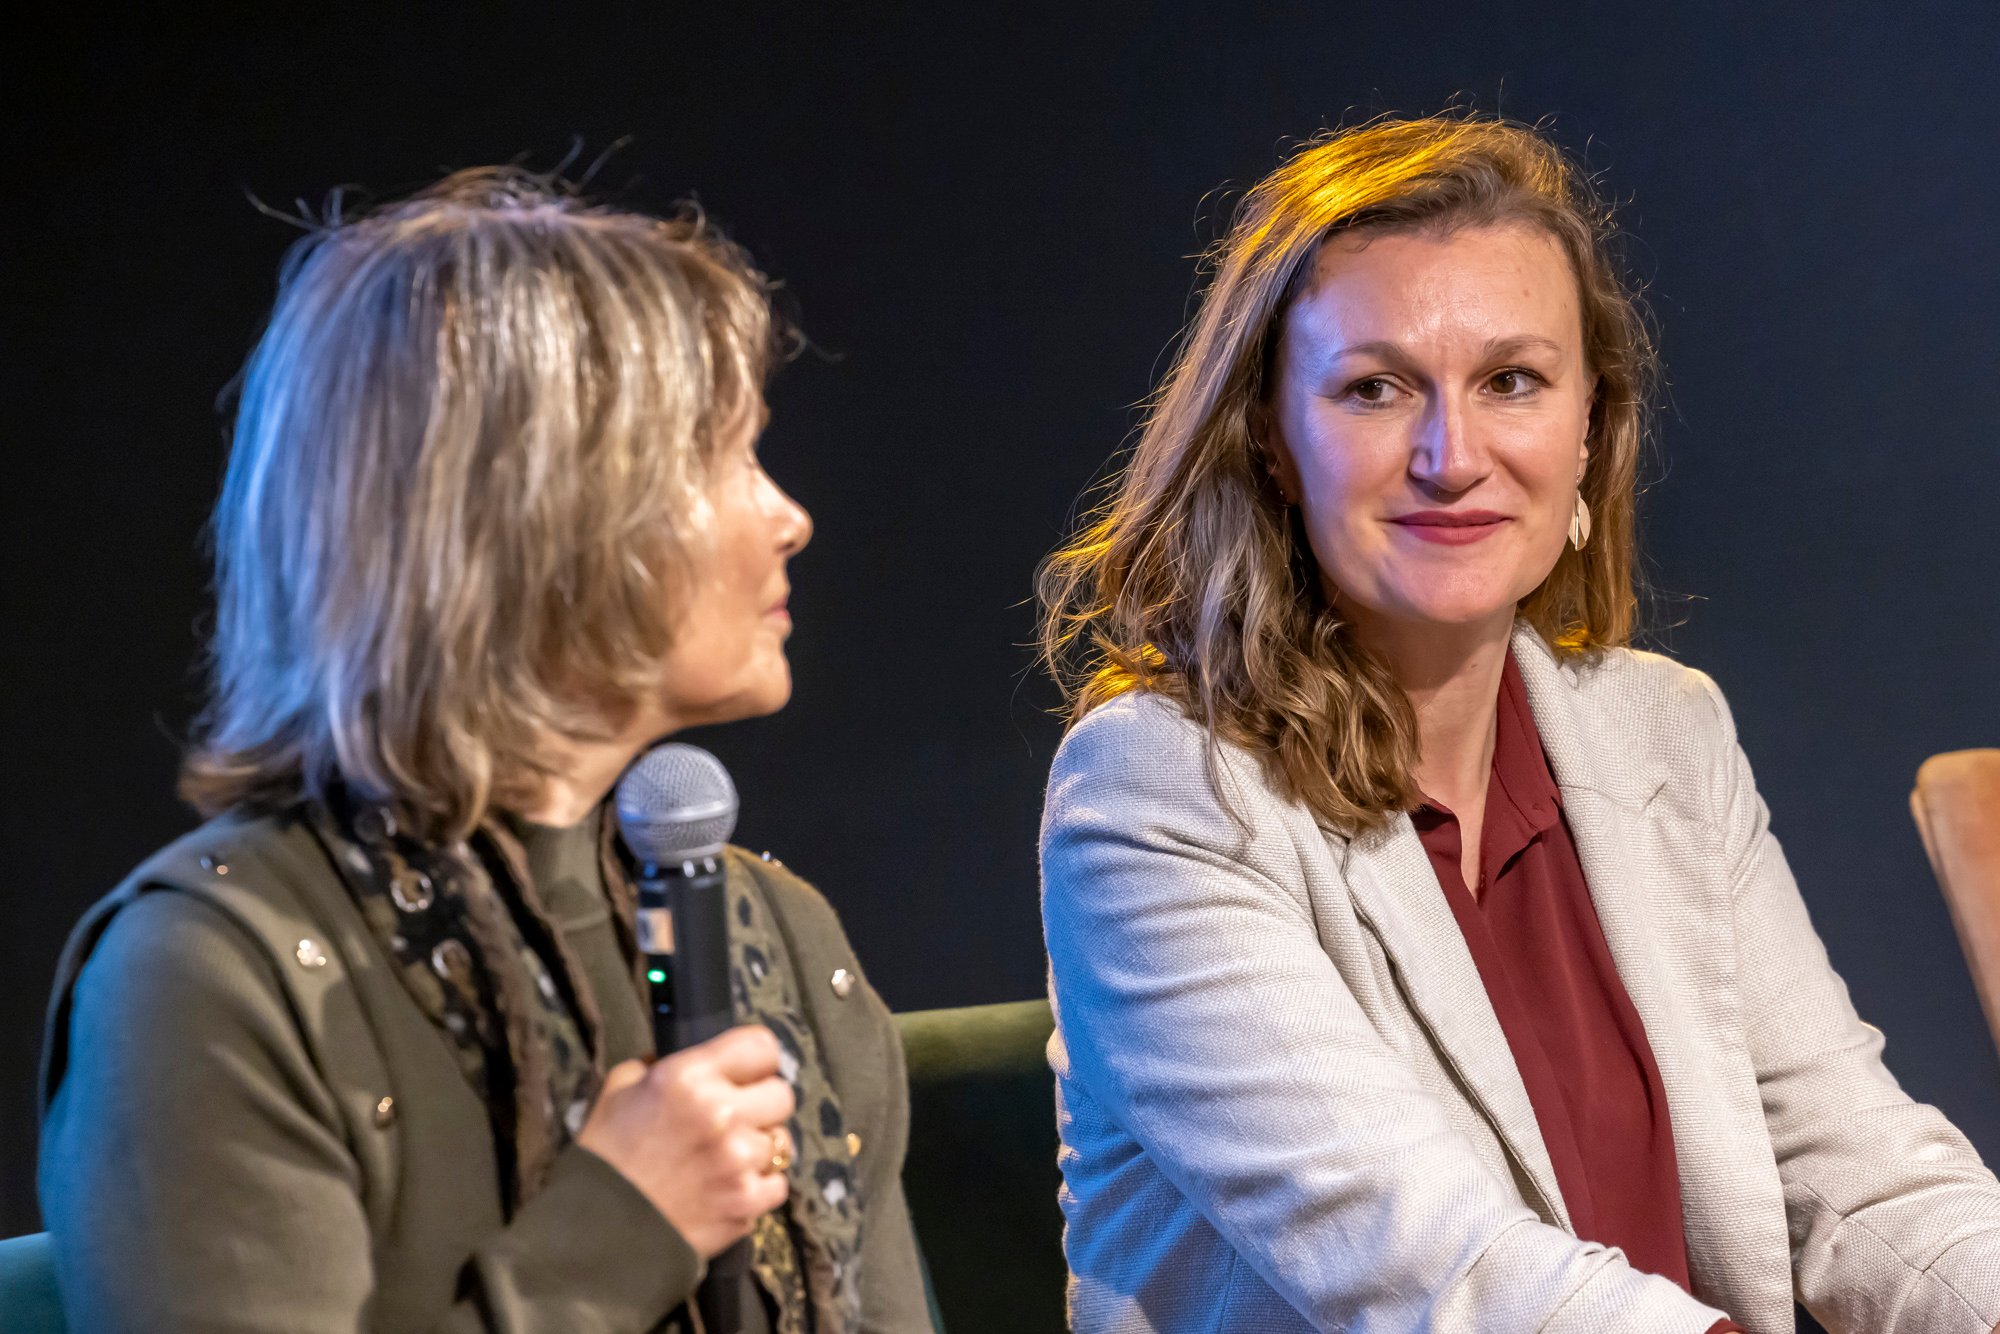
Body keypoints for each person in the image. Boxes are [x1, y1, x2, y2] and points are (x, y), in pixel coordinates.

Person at [1036, 115, 2000, 1333]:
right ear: (1271, 439)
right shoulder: (1159, 786)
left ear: (1588, 426)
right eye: (1374, 387)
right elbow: (1442, 1273)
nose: (1451, 455)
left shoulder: (1663, 732)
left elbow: (1860, 1174)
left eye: (1510, 381)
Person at [39, 168, 931, 1333]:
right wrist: (619, 1231)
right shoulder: (210, 975)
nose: (788, 516)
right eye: (726, 459)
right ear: (545, 512)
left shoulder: (780, 936)